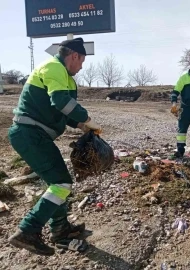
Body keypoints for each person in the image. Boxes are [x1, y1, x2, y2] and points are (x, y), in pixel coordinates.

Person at [7, 37, 102, 256]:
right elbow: (61, 102)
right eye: (82, 61)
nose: (81, 67)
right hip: (29, 134)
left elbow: (59, 110)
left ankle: (60, 230)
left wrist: (80, 125)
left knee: (57, 184)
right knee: (61, 183)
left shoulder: (61, 75)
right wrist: (86, 119)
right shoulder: (54, 67)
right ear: (74, 55)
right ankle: (27, 230)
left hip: (33, 135)